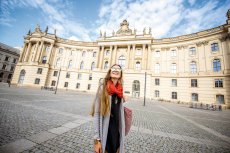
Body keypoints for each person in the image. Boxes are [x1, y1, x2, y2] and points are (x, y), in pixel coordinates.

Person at [91, 64, 126, 153]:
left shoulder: (120, 92)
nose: (115, 70)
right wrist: (97, 139)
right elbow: (97, 114)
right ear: (109, 72)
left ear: (121, 74)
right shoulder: (103, 88)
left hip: (117, 136)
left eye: (118, 69)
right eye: (113, 68)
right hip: (105, 135)